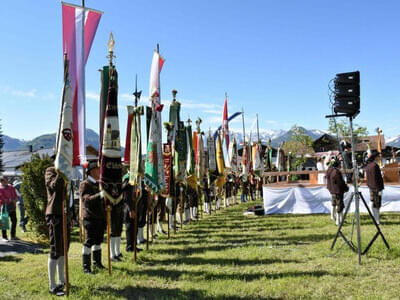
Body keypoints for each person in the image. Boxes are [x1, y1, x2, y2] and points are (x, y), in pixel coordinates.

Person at [44, 167, 71, 296]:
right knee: (55, 250)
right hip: (54, 214)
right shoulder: (51, 171)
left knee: (63, 249)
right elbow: (54, 186)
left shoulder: (67, 173)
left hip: (65, 214)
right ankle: (52, 285)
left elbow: (68, 196)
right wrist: (60, 171)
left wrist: (72, 216)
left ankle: (62, 280)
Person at [79, 161, 106, 274]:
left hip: (99, 216)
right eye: (97, 170)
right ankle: (86, 267)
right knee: (89, 241)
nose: (99, 172)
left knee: (98, 241)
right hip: (90, 217)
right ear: (91, 171)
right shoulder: (85, 184)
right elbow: (86, 200)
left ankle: (97, 262)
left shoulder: (98, 184)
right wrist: (99, 195)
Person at [326, 158, 349, 225]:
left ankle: (337, 218)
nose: (341, 165)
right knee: (340, 205)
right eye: (340, 163)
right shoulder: (337, 172)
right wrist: (346, 188)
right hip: (338, 191)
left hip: (333, 190)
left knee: (335, 204)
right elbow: (340, 182)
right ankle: (338, 221)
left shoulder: (331, 170)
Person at [365, 152, 384, 224]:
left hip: (371, 186)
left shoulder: (369, 165)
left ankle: (375, 218)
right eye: (378, 156)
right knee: (376, 203)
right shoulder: (375, 165)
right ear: (375, 157)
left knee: (373, 201)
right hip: (376, 187)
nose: (380, 158)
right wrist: (379, 189)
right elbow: (376, 178)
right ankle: (376, 220)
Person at [0, 176, 18, 241]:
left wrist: (15, 199)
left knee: (14, 221)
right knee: (4, 221)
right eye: (5, 180)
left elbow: (15, 195)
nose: (7, 181)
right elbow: (2, 198)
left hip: (12, 206)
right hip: (4, 207)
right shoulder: (0, 188)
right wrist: (10, 200)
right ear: (2, 181)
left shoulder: (11, 187)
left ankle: (13, 236)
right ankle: (4, 237)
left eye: (7, 180)